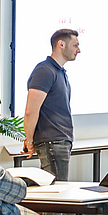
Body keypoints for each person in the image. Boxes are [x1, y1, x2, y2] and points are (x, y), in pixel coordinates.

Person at [24, 28, 80, 181]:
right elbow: (31, 110)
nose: (78, 50)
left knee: (59, 189)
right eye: (75, 45)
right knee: (58, 193)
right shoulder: (44, 71)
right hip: (53, 142)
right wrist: (29, 140)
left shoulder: (60, 72)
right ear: (61, 44)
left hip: (60, 141)